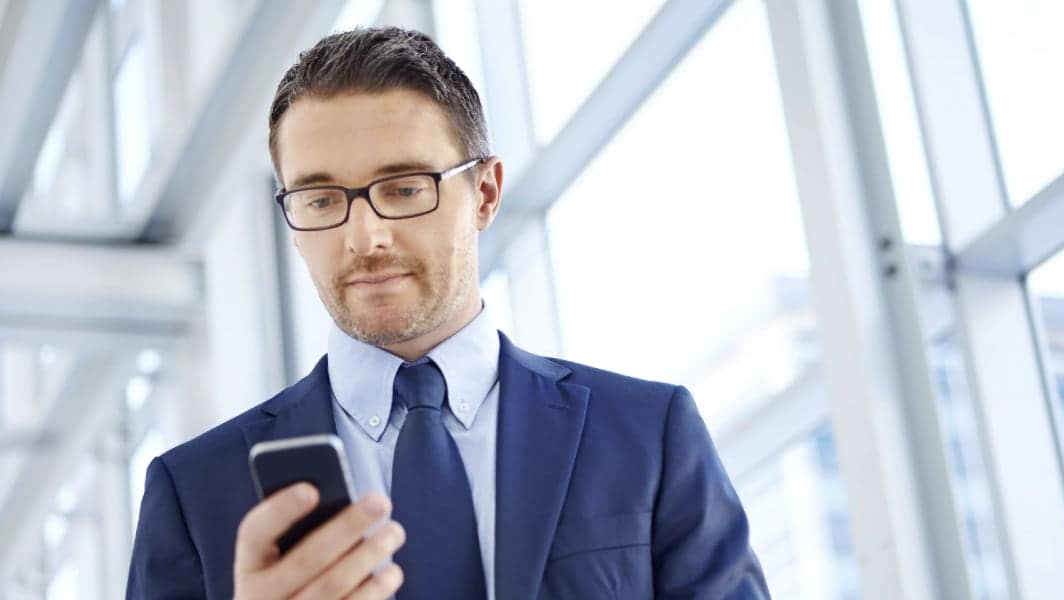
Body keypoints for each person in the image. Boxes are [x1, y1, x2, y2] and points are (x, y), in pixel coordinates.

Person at [126, 26, 768, 600]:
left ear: (484, 193)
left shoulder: (647, 436)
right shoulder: (195, 492)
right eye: (322, 199)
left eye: (403, 188)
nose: (365, 236)